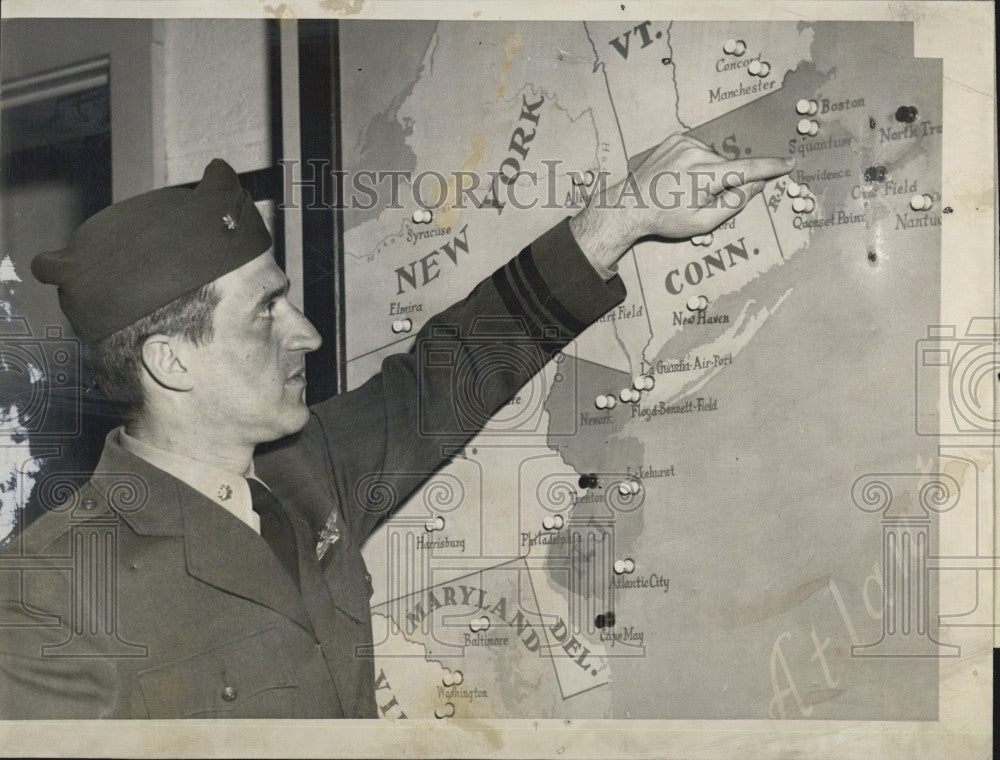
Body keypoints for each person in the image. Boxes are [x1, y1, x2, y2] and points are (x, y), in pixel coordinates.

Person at [0, 134, 792, 718]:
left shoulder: (302, 473)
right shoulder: (46, 600)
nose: (305, 334)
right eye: (266, 313)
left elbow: (444, 375)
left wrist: (623, 216)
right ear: (173, 362)